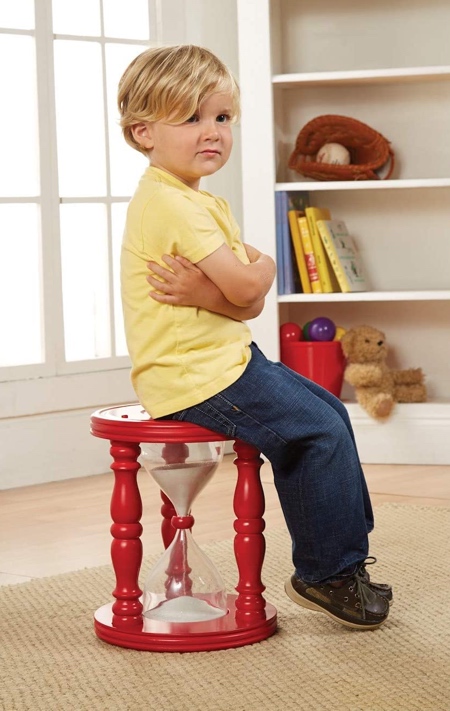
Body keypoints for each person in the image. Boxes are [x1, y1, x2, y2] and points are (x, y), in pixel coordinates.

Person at [118, 44, 392, 630]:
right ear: (143, 131)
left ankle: (345, 555)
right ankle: (329, 572)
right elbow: (250, 285)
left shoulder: (195, 199)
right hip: (196, 374)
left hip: (224, 358)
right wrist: (260, 271)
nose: (211, 132)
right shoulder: (174, 206)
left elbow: (246, 305)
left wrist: (224, 293)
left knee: (330, 414)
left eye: (221, 117)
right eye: (190, 118)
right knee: (317, 429)